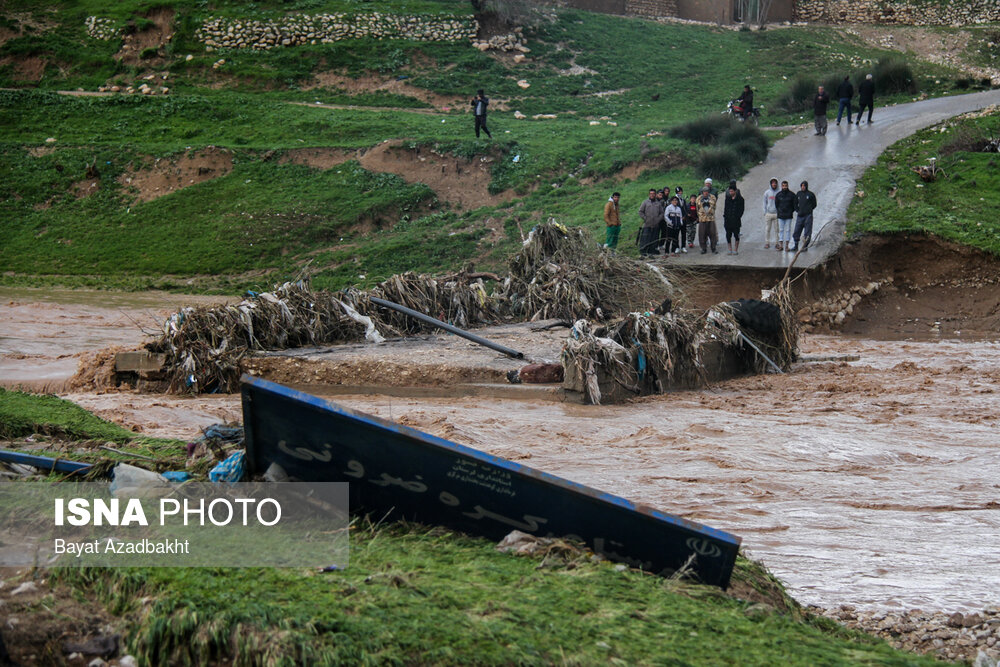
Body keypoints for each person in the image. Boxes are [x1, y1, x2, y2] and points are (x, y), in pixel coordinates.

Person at [791, 180, 817, 252]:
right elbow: (795, 203)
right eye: (802, 186)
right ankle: (796, 245)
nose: (803, 187)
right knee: (797, 230)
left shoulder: (811, 194)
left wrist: (809, 210)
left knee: (807, 232)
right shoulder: (798, 194)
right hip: (800, 216)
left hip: (808, 216)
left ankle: (805, 247)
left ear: (806, 186)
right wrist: (797, 210)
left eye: (804, 186)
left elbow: (814, 204)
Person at [638, 189, 661, 257]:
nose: (652, 195)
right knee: (645, 238)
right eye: (651, 193)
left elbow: (662, 213)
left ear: (655, 194)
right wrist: (645, 218)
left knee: (654, 239)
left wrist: (658, 219)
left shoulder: (658, 203)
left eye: (653, 193)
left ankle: (651, 251)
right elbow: (640, 212)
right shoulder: (645, 202)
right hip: (647, 224)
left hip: (655, 224)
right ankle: (643, 251)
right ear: (649, 194)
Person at [774, 180, 796, 252]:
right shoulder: (778, 195)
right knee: (781, 230)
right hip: (781, 215)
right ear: (781, 186)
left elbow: (794, 205)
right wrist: (780, 211)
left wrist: (790, 211)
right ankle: (781, 245)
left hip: (789, 215)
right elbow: (776, 205)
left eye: (785, 186)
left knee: (788, 230)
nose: (784, 187)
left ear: (787, 186)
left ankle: (787, 246)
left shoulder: (792, 195)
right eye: (783, 186)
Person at [723, 184, 744, 255]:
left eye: (732, 191)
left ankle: (735, 249)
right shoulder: (727, 199)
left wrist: (737, 216)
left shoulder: (740, 199)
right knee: (728, 235)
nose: (730, 193)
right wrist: (725, 217)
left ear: (735, 191)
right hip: (728, 221)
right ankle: (729, 249)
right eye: (730, 191)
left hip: (736, 221)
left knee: (736, 235)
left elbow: (741, 210)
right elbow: (725, 209)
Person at [696, 186, 718, 255]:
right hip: (702, 219)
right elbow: (697, 208)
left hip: (710, 218)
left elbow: (714, 206)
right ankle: (703, 248)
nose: (706, 193)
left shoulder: (712, 197)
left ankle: (713, 247)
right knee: (702, 234)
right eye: (704, 191)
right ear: (702, 192)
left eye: (707, 191)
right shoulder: (699, 198)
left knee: (712, 233)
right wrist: (700, 216)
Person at [762, 178, 779, 249]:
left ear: (777, 184)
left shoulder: (779, 192)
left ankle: (777, 243)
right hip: (768, 213)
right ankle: (767, 243)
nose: (774, 184)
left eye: (775, 183)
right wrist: (764, 212)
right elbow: (764, 202)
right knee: (767, 229)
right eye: (773, 183)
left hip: (777, 214)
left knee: (777, 230)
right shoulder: (767, 192)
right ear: (770, 184)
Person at [674, 186, 689, 252]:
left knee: (684, 233)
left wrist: (685, 216)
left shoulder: (683, 200)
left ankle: (683, 246)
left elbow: (685, 209)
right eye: (678, 192)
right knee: (676, 234)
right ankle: (676, 247)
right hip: (677, 219)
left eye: (680, 191)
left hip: (683, 219)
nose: (680, 193)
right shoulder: (674, 200)